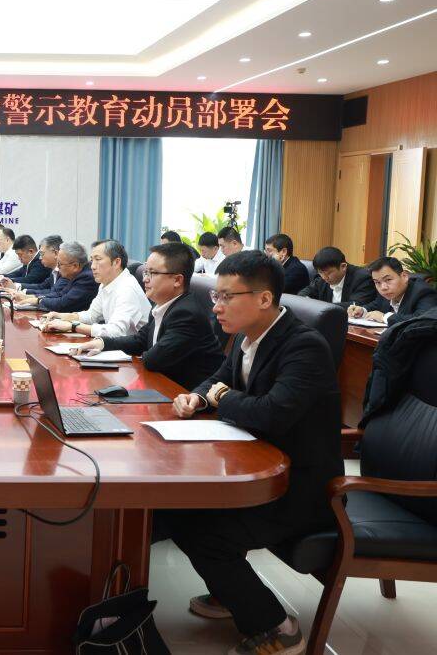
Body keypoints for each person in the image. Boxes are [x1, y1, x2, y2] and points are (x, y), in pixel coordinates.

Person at [165, 250, 342, 655]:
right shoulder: (248, 337)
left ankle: (277, 628)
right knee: (177, 509)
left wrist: (222, 398)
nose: (216, 306)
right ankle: (231, 592)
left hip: (301, 487)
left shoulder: (304, 346)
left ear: (264, 299)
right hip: (261, 468)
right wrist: (198, 397)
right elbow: (218, 379)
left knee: (202, 532)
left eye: (227, 297)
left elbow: (271, 414)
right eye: (216, 296)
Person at [70, 242, 223, 389]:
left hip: (186, 394)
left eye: (153, 273)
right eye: (145, 272)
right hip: (164, 385)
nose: (145, 279)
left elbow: (153, 360)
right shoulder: (162, 305)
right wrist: (102, 343)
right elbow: (140, 340)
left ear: (177, 280)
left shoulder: (186, 314)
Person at [43, 239, 151, 337]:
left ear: (116, 262)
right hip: (117, 346)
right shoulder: (106, 283)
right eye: (92, 260)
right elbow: (91, 316)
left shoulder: (127, 288)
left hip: (134, 351)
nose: (92, 266)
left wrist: (73, 326)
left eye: (98, 259)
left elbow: (116, 331)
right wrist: (60, 316)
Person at [10, 241, 97, 313]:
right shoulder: (75, 274)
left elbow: (63, 303)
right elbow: (59, 294)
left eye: (60, 264)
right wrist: (32, 298)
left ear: (75, 266)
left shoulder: (86, 277)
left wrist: (38, 300)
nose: (57, 267)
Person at [348, 256, 437, 326]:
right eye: (377, 282)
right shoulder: (388, 293)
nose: (383, 287)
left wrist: (384, 317)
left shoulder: (423, 292)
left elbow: (423, 321)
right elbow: (375, 305)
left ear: (404, 276)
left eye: (388, 280)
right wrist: (362, 311)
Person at [298, 246, 377, 308]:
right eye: (320, 272)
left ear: (343, 266)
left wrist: (320, 306)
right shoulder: (322, 278)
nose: (324, 277)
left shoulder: (363, 278)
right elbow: (304, 293)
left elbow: (356, 305)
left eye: (329, 273)